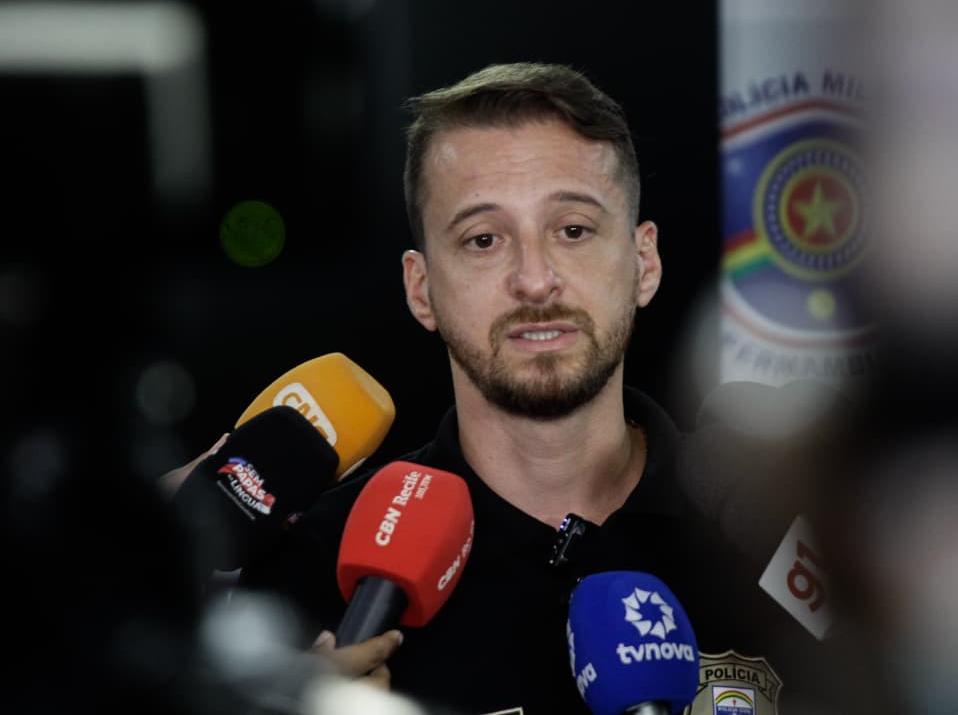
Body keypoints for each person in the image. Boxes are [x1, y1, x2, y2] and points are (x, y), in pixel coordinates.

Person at [237, 62, 871, 714]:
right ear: (420, 287)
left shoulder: (785, 526)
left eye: (573, 230)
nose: (535, 280)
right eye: (483, 239)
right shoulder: (315, 568)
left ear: (644, 263)